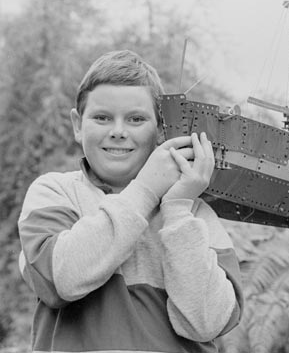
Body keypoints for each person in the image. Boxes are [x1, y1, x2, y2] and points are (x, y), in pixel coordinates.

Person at [17, 50, 243, 353]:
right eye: (102, 117)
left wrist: (176, 210)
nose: (118, 131)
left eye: (136, 119)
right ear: (77, 124)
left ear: (162, 130)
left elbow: (206, 323)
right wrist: (145, 191)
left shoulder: (195, 214)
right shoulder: (54, 192)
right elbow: (59, 281)